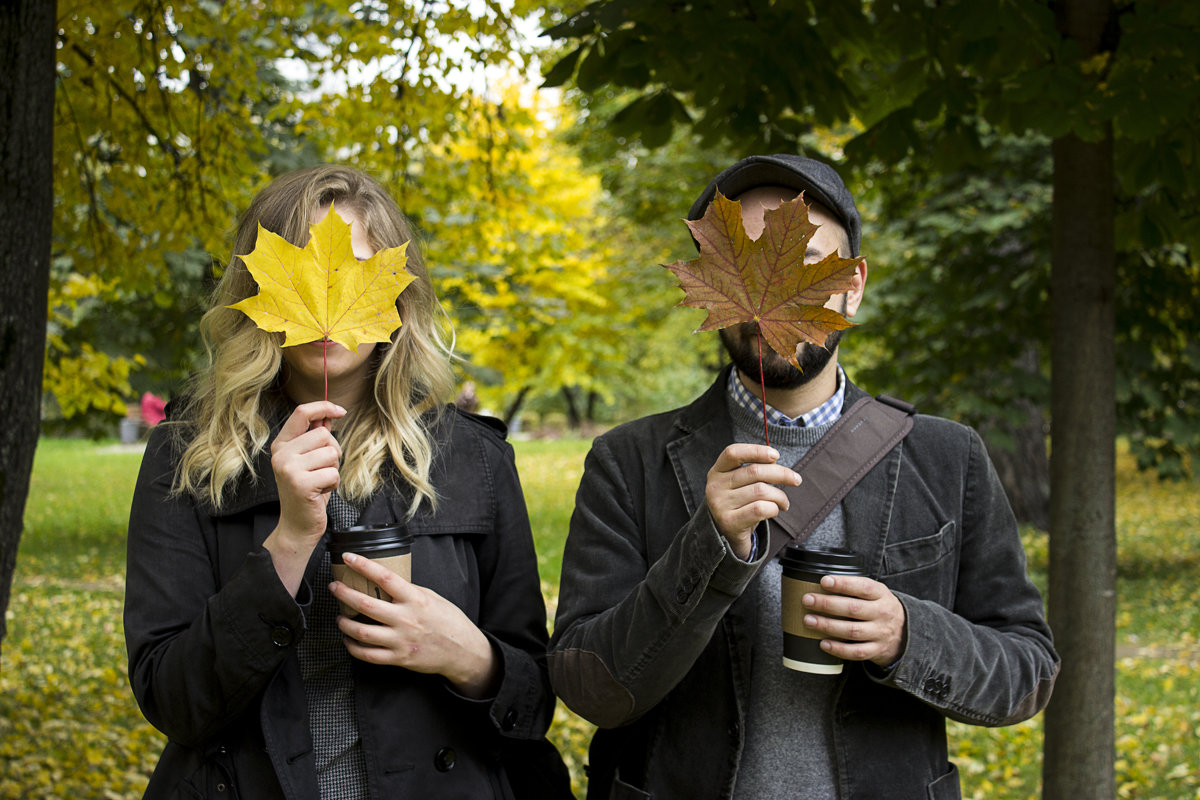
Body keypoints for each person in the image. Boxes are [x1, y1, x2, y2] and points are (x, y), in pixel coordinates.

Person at [547, 154, 1059, 800]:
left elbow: (1027, 671)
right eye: (747, 264)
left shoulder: (947, 458)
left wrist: (908, 634)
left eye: (808, 264)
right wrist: (707, 548)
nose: (775, 289)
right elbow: (588, 685)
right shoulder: (629, 461)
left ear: (854, 284)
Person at [124, 165, 568, 799]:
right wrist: (288, 542)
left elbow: (536, 699)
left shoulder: (475, 459)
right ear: (260, 290)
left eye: (356, 272)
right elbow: (173, 698)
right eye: (299, 273)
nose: (328, 302)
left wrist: (467, 656)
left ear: (396, 294)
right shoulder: (188, 457)